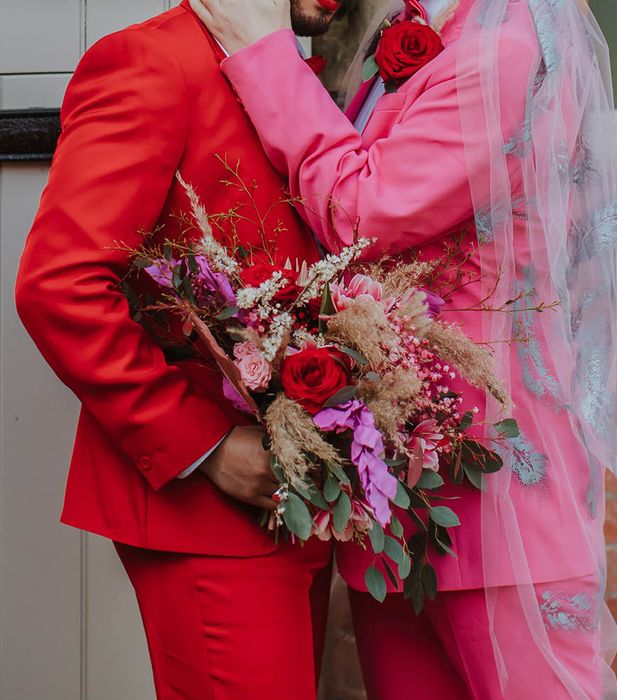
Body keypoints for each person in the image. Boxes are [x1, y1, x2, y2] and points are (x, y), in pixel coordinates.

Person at [191, 0, 617, 698]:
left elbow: (365, 211)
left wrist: (261, 50)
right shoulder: (419, 27)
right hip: (401, 495)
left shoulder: (507, 47)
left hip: (499, 500)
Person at [14, 1, 341, 698]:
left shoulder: (304, 68)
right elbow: (58, 285)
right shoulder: (150, 60)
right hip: (206, 510)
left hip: (301, 497)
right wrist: (209, 449)